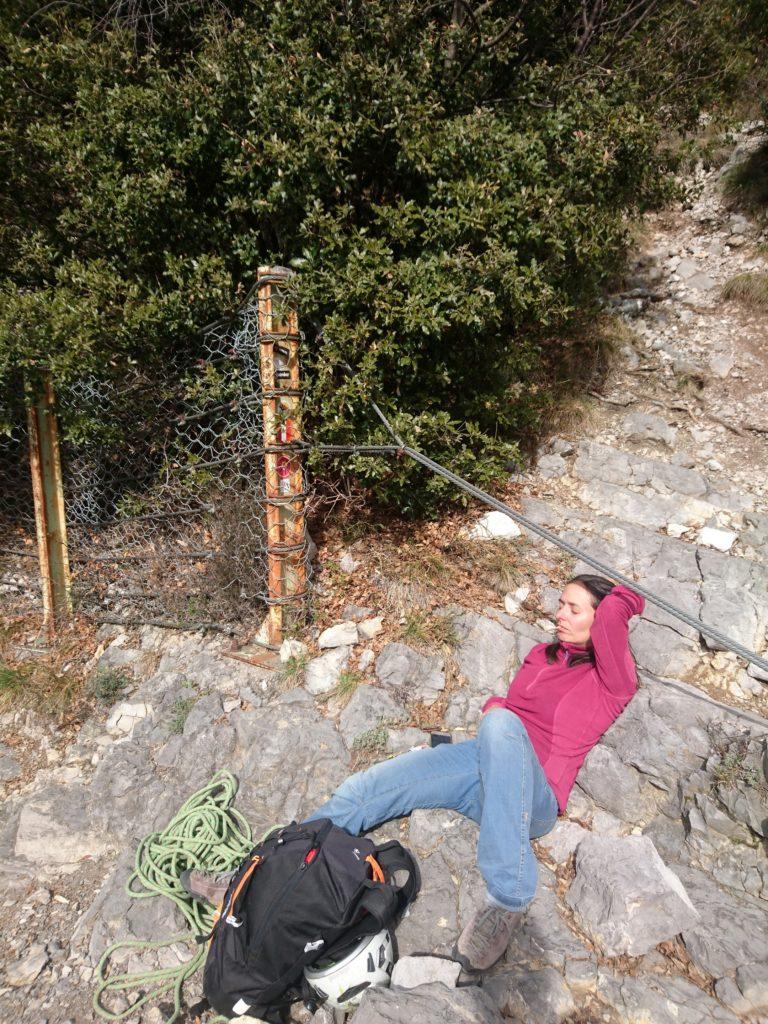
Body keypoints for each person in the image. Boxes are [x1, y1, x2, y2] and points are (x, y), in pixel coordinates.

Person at [184, 575, 644, 974]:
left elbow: (517, 717)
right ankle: (259, 874)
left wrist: (623, 598)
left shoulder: (611, 678)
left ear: (601, 620)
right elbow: (508, 711)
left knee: (501, 725)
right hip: (483, 764)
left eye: (573, 608)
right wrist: (452, 741)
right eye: (560, 604)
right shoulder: (542, 658)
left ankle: (508, 901)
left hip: (534, 797)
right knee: (372, 785)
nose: (559, 614)